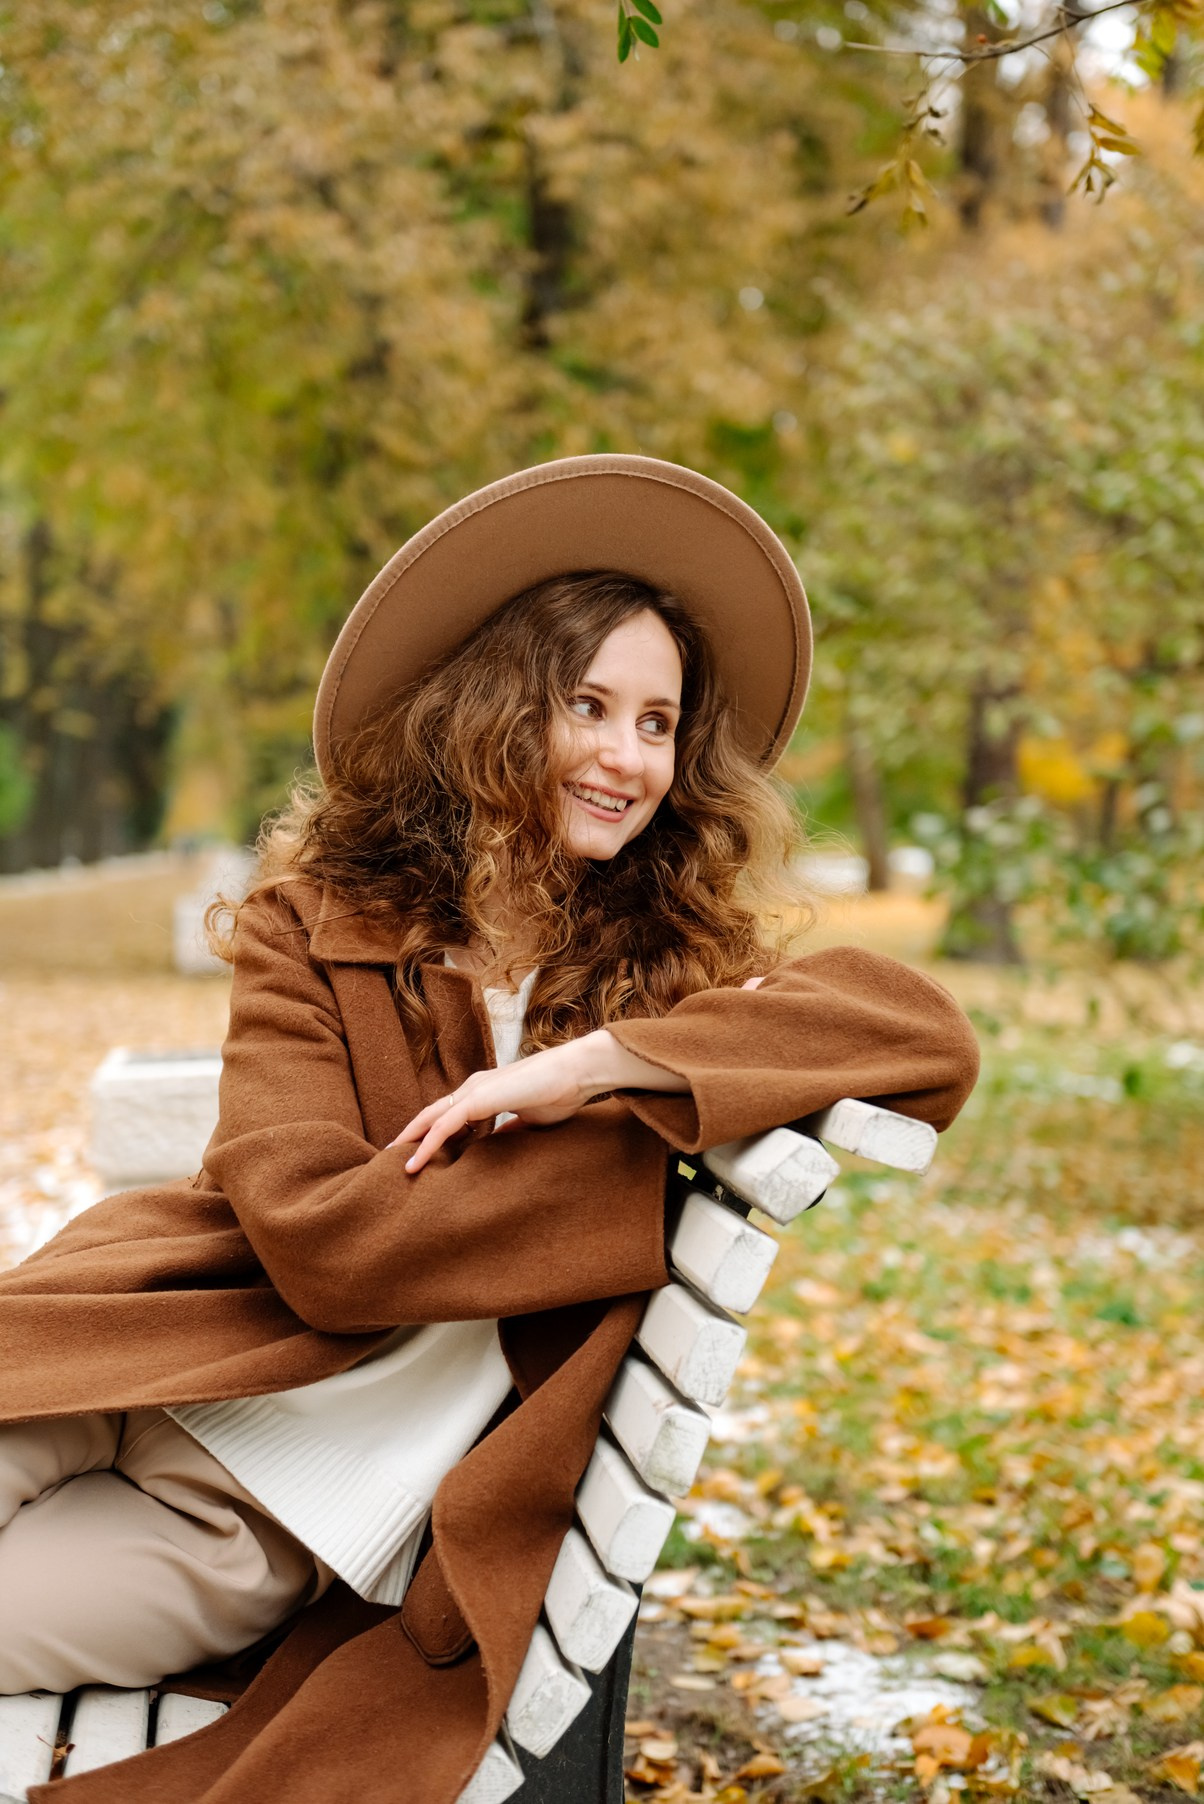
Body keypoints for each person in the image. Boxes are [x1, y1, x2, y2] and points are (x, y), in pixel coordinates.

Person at [0, 455, 979, 1804]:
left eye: (657, 723)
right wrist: (595, 1185)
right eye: (588, 706)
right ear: (495, 714)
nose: (627, 756)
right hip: (110, 1361)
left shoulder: (674, 976)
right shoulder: (315, 928)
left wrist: (585, 1072)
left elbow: (923, 1032)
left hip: (251, 1518)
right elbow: (318, 1241)